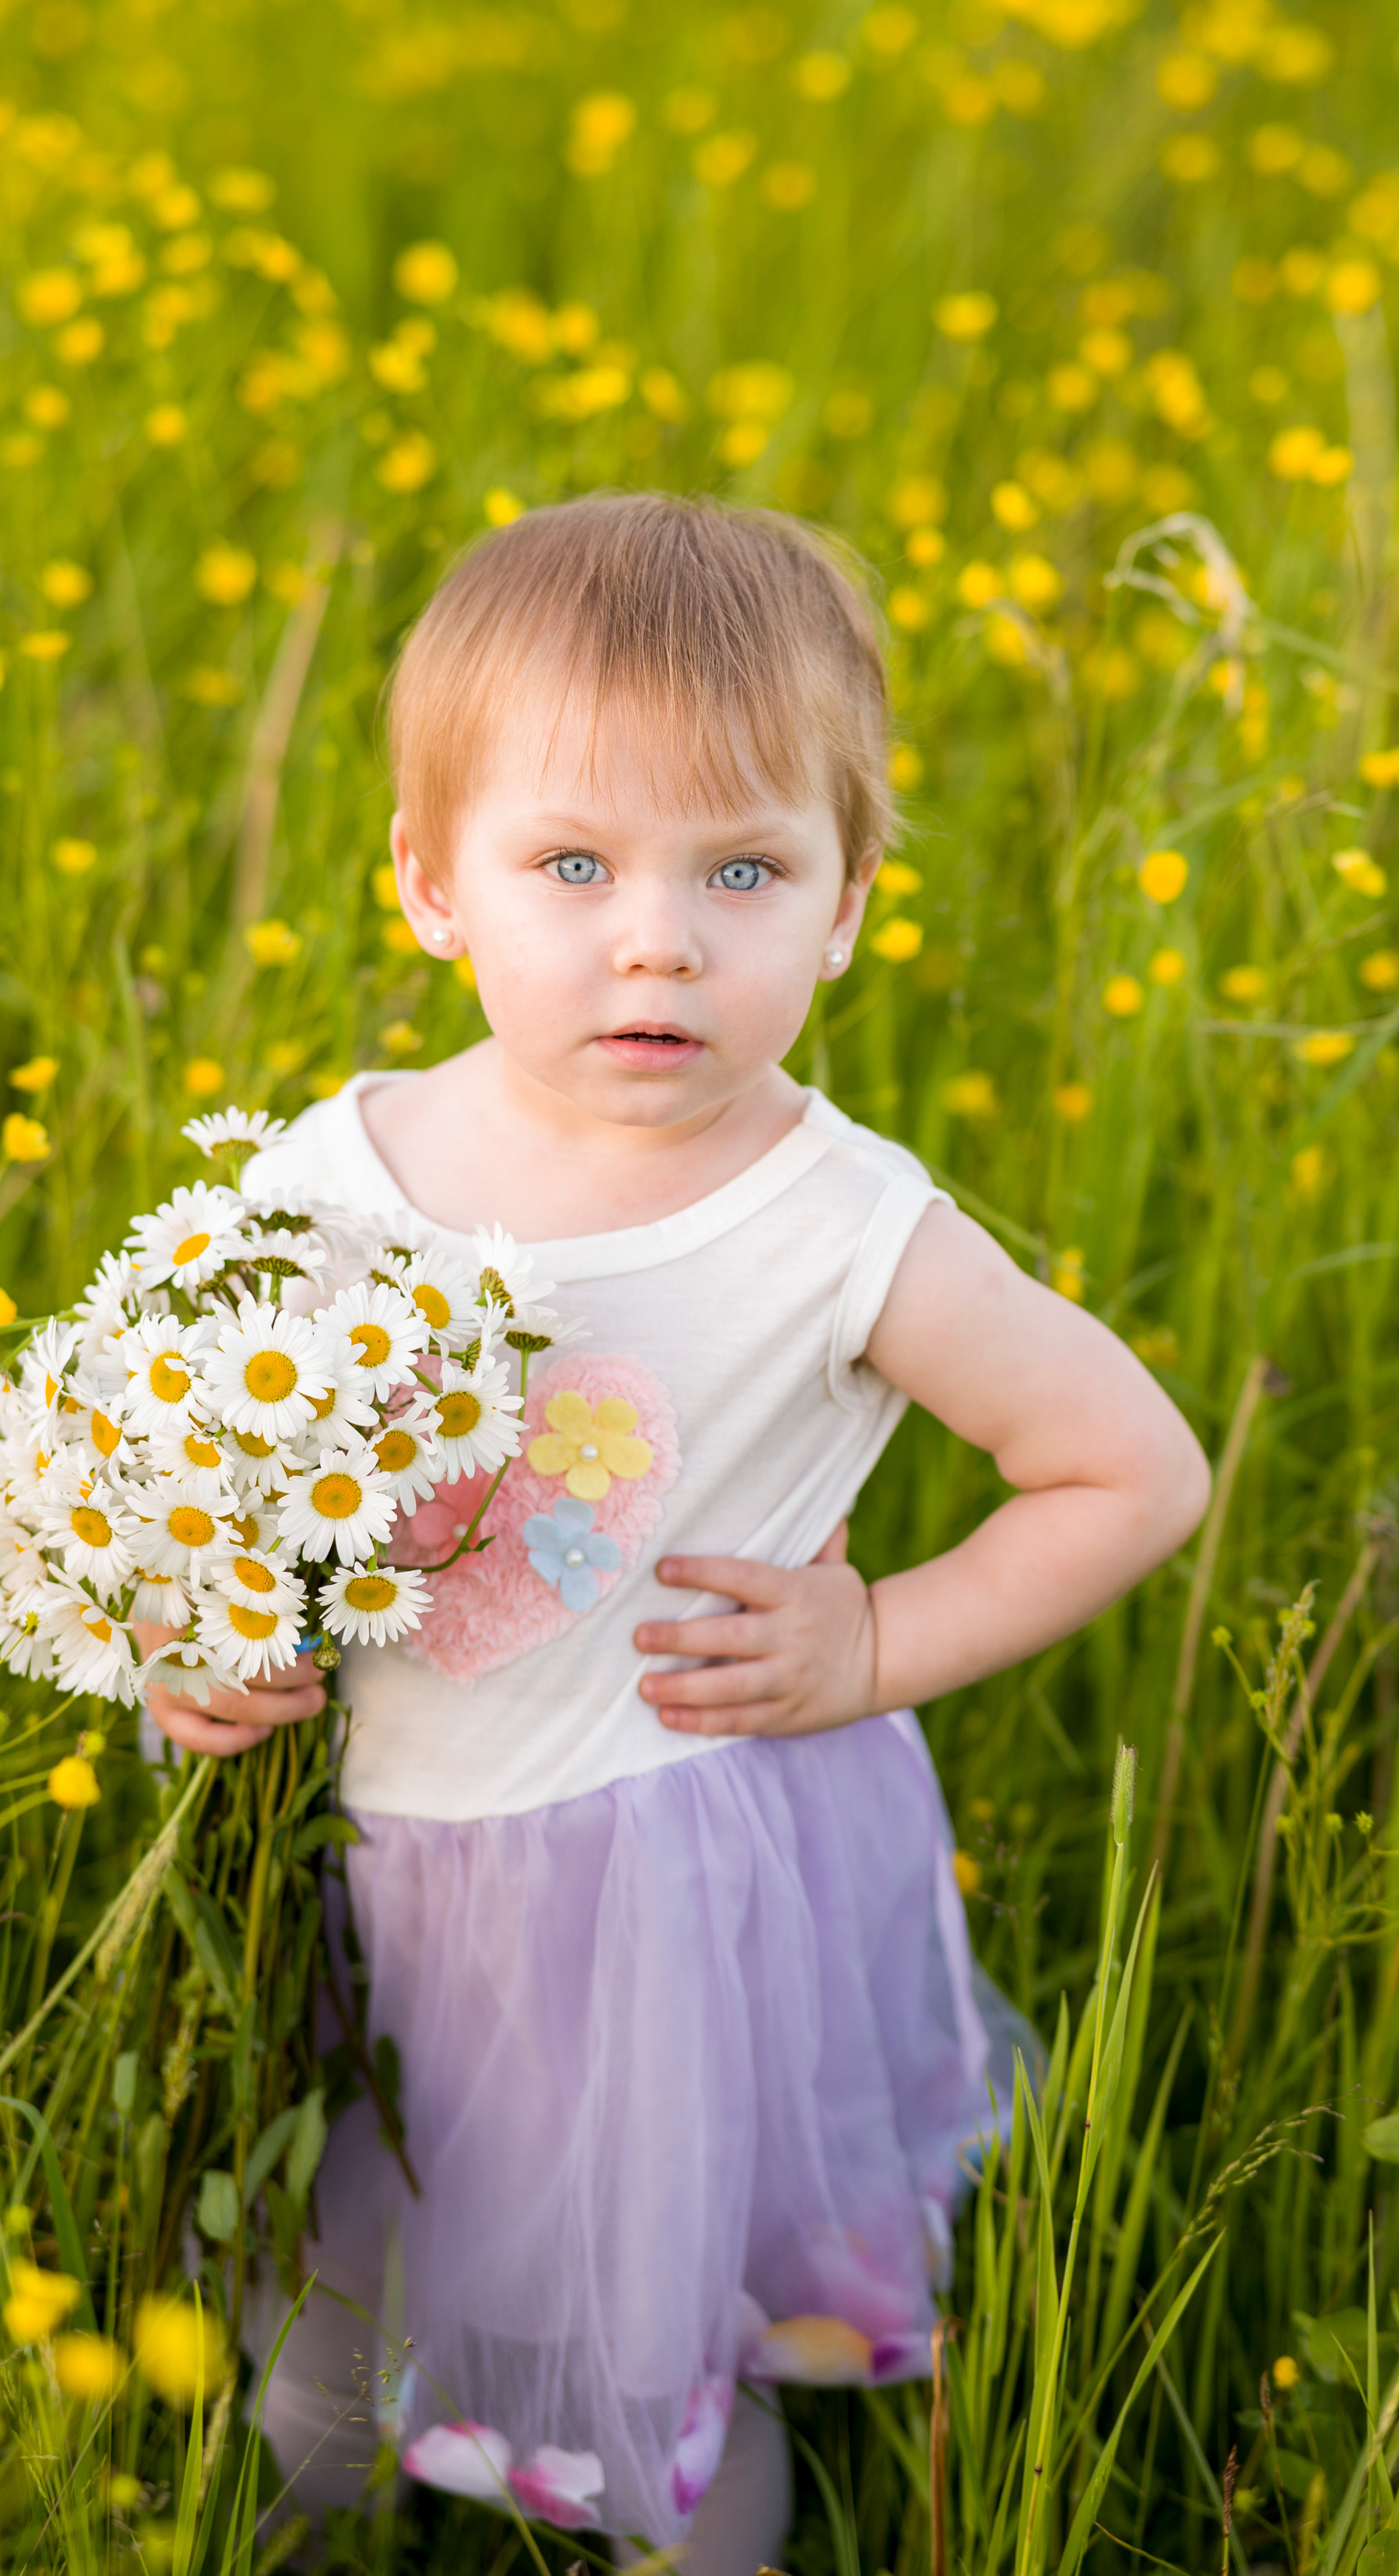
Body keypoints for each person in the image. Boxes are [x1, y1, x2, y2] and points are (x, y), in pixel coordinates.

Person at [144, 493, 1212, 2570]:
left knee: (666, 2387)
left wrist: (873, 1640)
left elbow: (1135, 1467)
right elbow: (249, 1488)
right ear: (429, 886)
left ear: (844, 904)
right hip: (393, 1871)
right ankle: (299, 2517)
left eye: (743, 868)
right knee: (326, 2320)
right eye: (573, 865)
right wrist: (214, 1638)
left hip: (670, 1891)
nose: (659, 938)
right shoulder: (342, 1165)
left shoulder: (842, 1224)